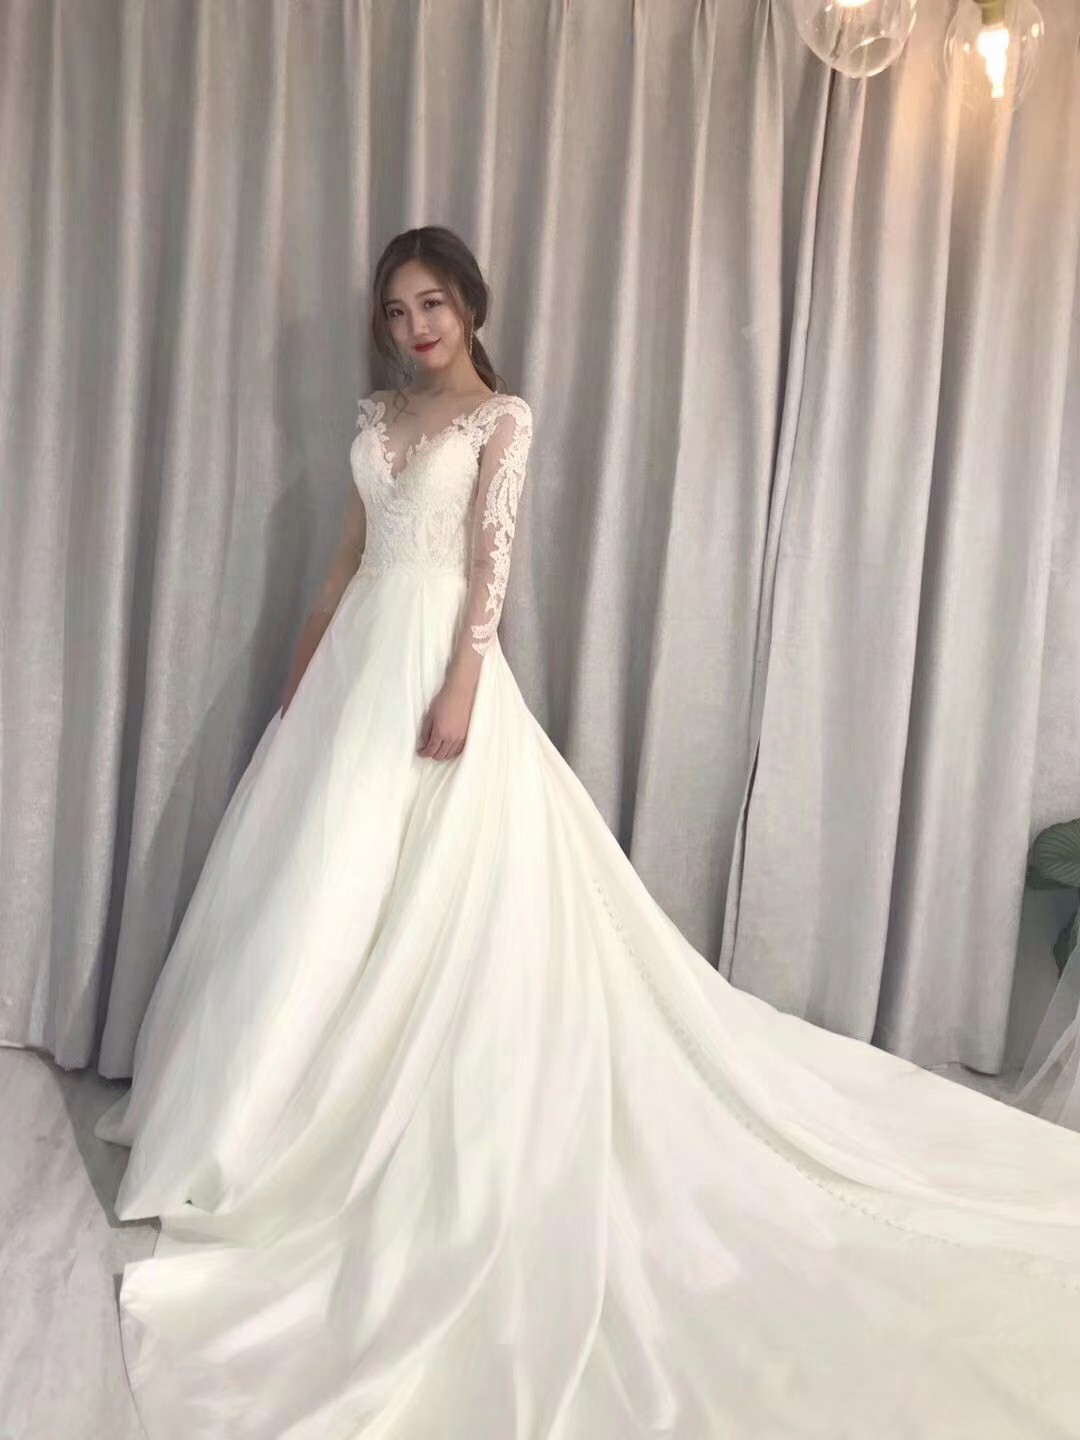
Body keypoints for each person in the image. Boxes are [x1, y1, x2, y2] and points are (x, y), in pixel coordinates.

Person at [96, 225, 1080, 1440]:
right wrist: (300, 681)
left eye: (433, 303)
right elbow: (346, 561)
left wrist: (463, 685)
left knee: (419, 898)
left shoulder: (499, 420)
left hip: (435, 662)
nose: (415, 327)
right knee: (313, 899)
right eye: (397, 310)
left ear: (470, 305)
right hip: (353, 671)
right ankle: (260, 1126)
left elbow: (488, 571)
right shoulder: (378, 419)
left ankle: (375, 1135)